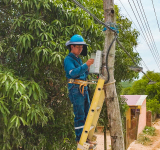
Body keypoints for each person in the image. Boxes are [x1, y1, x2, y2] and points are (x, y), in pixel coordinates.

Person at [64, 34, 96, 149]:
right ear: (72, 47)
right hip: (75, 88)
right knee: (79, 114)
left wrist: (87, 68)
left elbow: (82, 73)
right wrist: (85, 65)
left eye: (81, 48)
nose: (80, 49)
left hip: (83, 87)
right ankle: (79, 139)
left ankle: (85, 138)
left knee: (87, 113)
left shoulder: (79, 59)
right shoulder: (68, 59)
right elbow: (72, 73)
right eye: (78, 47)